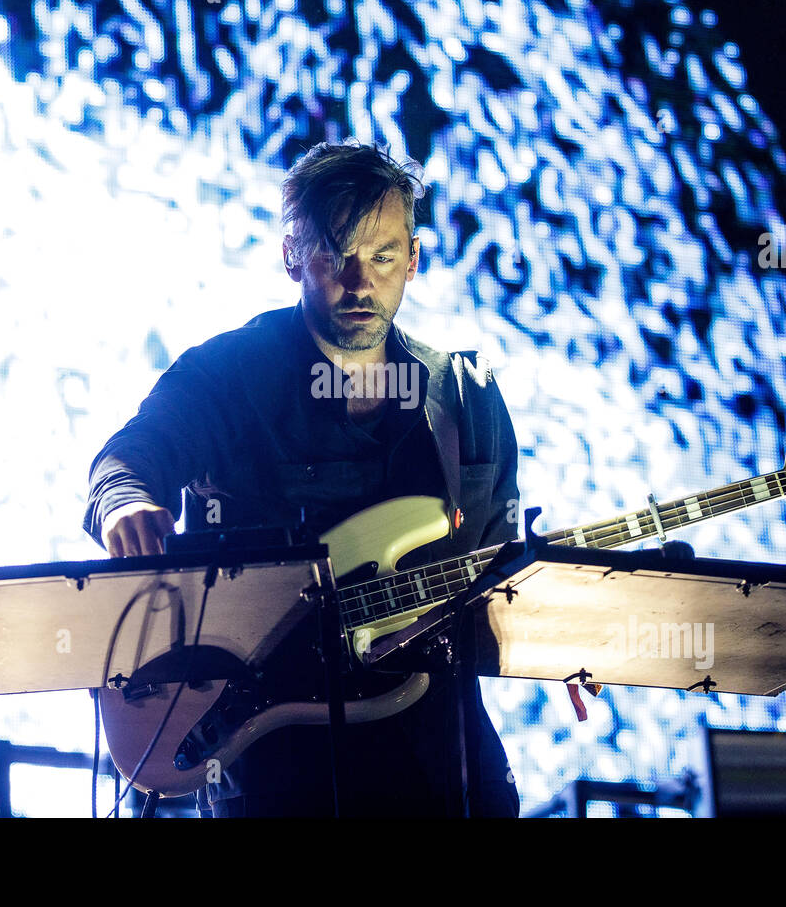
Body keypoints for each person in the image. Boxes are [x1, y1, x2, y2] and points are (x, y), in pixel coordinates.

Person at [83, 141, 521, 817]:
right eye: (331, 256)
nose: (358, 282)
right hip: (274, 761)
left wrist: (559, 635)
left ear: (414, 259)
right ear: (291, 256)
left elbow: (500, 573)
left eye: (381, 258)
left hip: (440, 757)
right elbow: (129, 458)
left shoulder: (466, 398)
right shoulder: (229, 376)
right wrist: (125, 501)